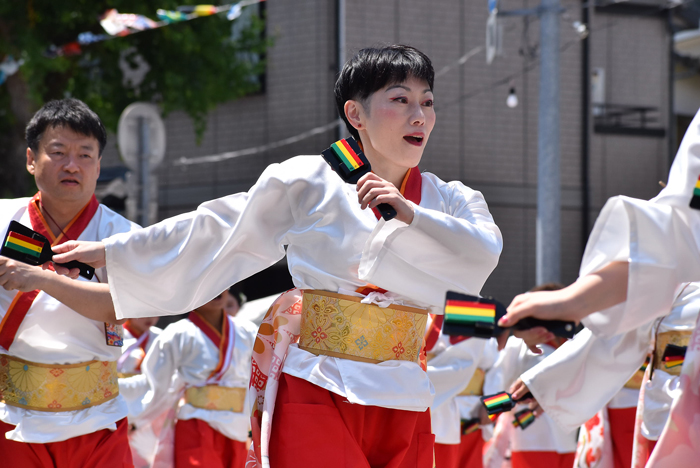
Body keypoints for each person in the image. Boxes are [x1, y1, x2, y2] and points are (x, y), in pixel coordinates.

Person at [50, 45, 503, 467]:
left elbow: (481, 258)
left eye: (427, 102)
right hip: (320, 382)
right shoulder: (310, 179)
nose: (418, 115)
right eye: (401, 100)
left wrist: (413, 217)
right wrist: (115, 250)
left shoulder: (454, 200)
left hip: (404, 390)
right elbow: (219, 227)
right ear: (355, 114)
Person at [497, 108, 700, 467]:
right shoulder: (676, 275)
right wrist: (550, 378)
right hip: (665, 403)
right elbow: (676, 236)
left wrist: (571, 302)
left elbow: (676, 235)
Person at [0, 98, 139, 467]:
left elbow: (124, 305)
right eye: (58, 152)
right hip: (11, 417)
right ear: (31, 159)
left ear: (98, 166)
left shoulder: (126, 236)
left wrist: (38, 279)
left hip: (99, 420)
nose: (72, 165)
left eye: (85, 155)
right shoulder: (1, 218)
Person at [120, 291, 257, 468]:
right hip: (195, 424)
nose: (217, 290)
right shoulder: (177, 333)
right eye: (210, 285)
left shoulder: (248, 331)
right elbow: (154, 384)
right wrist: (120, 403)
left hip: (238, 425)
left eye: (222, 283)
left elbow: (259, 379)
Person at [483, 283, 578, 468]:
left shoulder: (574, 344)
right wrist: (495, 408)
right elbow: (498, 385)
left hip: (567, 436)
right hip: (531, 438)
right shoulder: (516, 345)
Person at [118, 316, 162, 467]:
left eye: (154, 311)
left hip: (150, 405)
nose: (150, 317)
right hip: (117, 399)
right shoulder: (114, 333)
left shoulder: (161, 338)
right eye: (143, 311)